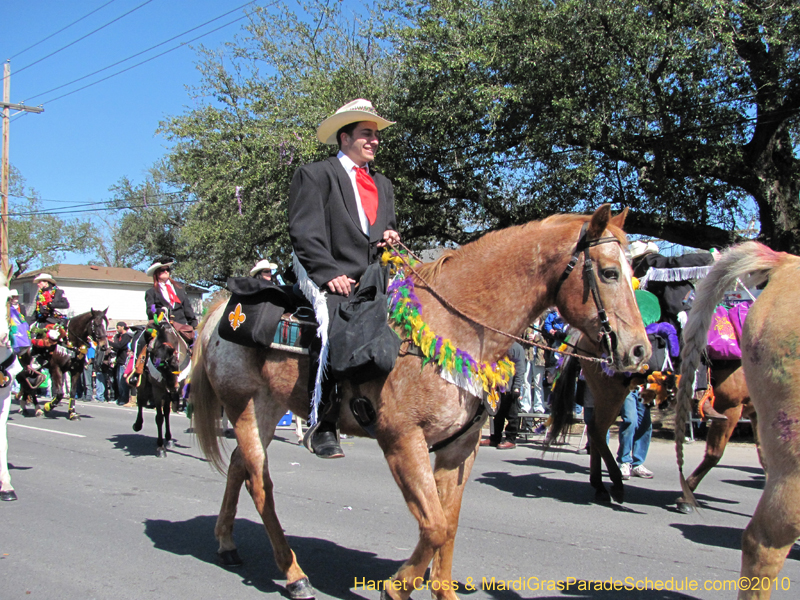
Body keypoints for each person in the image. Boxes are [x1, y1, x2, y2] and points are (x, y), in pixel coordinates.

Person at [288, 98, 400, 459]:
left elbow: (384, 228)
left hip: (376, 277)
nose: (375, 141)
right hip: (333, 276)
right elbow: (304, 232)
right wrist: (328, 273)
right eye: (367, 134)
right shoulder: (316, 175)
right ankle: (323, 423)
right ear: (345, 137)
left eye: (376, 135)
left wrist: (391, 238)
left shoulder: (383, 184)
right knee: (334, 326)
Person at [480, 342, 526, 450]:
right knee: (498, 414)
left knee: (512, 415)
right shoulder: (498, 345)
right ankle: (495, 438)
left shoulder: (516, 348)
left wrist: (517, 386)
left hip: (510, 387)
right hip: (498, 386)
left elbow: (520, 369)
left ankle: (511, 439)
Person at [144, 256, 199, 329]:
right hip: (162, 328)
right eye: (162, 270)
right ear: (156, 273)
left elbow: (187, 308)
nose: (166, 271)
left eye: (167, 269)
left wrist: (193, 324)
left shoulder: (180, 288)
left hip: (181, 327)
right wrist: (159, 311)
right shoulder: (151, 292)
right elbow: (151, 309)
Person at [111, 322, 132, 406]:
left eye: (118, 327)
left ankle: (124, 399)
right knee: (118, 382)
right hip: (119, 361)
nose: (117, 328)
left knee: (122, 382)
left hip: (124, 362)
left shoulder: (126, 336)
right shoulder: (119, 337)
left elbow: (120, 346)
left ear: (122, 327)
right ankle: (119, 398)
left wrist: (109, 343)